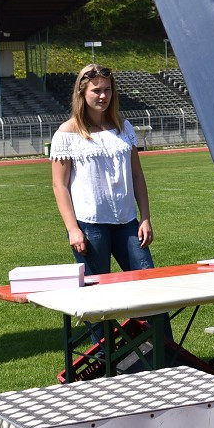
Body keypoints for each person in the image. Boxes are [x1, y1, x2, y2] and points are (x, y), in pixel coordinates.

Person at [50, 64, 173, 353]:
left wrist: (146, 218)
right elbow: (60, 186)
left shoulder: (123, 127)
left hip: (128, 222)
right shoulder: (66, 134)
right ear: (82, 92)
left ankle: (164, 352)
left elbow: (137, 175)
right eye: (96, 90)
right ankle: (104, 360)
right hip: (90, 226)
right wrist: (72, 229)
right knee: (96, 298)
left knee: (150, 289)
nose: (102, 95)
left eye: (107, 89)